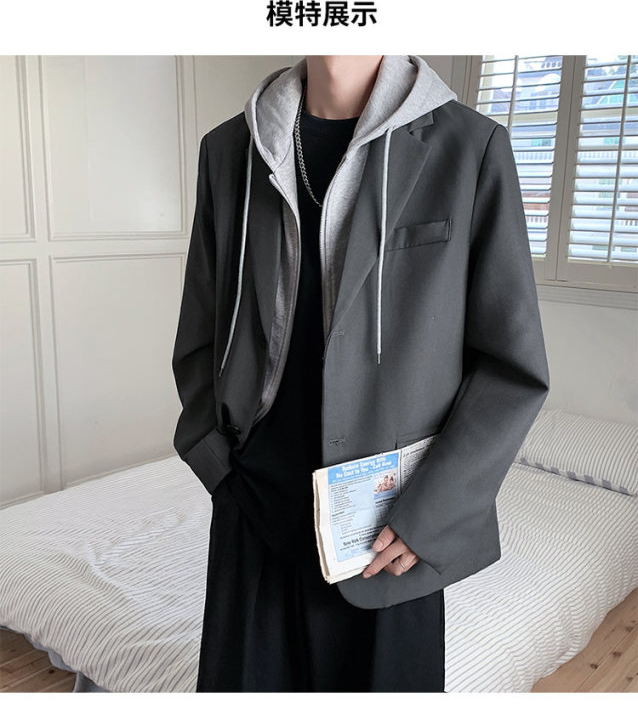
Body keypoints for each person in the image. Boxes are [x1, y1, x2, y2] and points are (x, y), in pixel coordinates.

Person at [171, 55, 550, 692]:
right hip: (253, 510)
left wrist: (432, 515)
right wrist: (216, 465)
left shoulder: (469, 147)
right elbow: (201, 332)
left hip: (387, 532)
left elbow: (511, 368)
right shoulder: (231, 150)